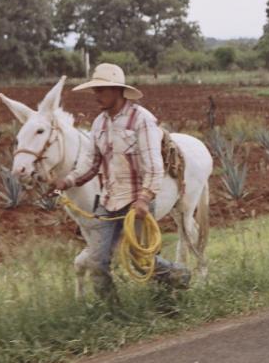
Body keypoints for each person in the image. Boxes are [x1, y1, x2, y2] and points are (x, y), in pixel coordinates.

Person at [53, 63, 191, 302]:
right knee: (97, 262)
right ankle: (112, 314)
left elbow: (154, 166)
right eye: (95, 90)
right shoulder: (99, 124)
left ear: (117, 90)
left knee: (142, 262)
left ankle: (178, 278)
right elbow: (91, 163)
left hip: (137, 200)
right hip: (108, 199)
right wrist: (67, 181)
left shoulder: (142, 120)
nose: (96, 96)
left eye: (101, 90)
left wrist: (144, 198)